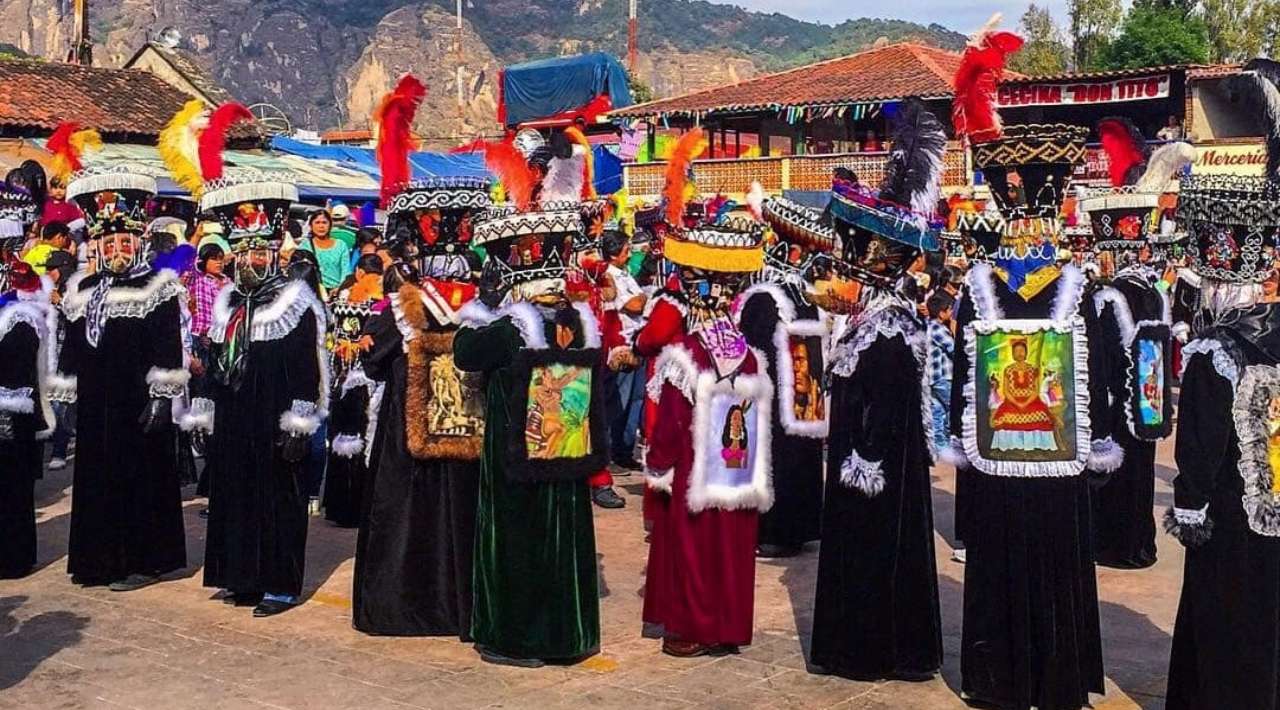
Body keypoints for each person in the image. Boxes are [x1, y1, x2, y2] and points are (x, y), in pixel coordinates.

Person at [945, 27, 1111, 709]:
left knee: (1003, 563)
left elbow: (961, 386)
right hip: (1058, 468)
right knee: (1053, 560)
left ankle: (998, 678)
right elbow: (1094, 396)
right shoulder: (1084, 288)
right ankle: (1058, 675)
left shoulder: (975, 289)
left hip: (995, 464)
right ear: (1059, 206)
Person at [454, 132, 603, 666]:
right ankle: (568, 634)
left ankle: (518, 635)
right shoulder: (577, 321)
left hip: (517, 453)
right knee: (563, 536)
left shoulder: (511, 326)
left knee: (516, 537)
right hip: (565, 447)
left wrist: (484, 304)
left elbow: (465, 352)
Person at [810, 103, 945, 681]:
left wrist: (862, 458)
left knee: (873, 560)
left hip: (874, 483)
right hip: (869, 473)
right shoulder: (876, 321)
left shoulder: (887, 329)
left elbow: (884, 415)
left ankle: (873, 648)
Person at [1162, 58, 1280, 710]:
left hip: (1233, 522)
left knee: (1226, 628)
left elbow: (1199, 455)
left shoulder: (1214, 348)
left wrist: (1191, 504)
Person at [636, 128, 772, 657]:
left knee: (693, 547)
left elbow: (668, 431)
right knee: (731, 549)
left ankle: (691, 628)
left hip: (695, 475)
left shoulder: (686, 356)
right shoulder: (749, 354)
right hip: (736, 472)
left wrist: (659, 465)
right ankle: (729, 625)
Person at [353, 148, 493, 634]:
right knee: (464, 509)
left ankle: (405, 604)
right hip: (472, 422)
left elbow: (374, 358)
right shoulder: (485, 301)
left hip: (408, 426)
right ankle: (467, 604)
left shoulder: (402, 302)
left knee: (407, 511)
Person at [187, 173, 328, 618]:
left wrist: (301, 424)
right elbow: (212, 364)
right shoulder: (228, 302)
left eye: (260, 252)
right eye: (245, 252)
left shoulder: (296, 300)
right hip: (234, 417)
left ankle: (279, 585)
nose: (252, 259)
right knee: (235, 495)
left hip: (275, 417)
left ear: (275, 254)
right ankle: (241, 576)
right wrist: (205, 411)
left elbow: (310, 369)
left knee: (278, 500)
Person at [52, 165, 188, 592]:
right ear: (97, 243)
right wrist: (66, 392)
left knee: (140, 481)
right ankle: (98, 561)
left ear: (138, 240)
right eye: (108, 241)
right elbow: (72, 344)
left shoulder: (157, 286)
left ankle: (145, 562)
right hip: (97, 406)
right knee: (97, 481)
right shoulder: (83, 287)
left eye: (124, 240)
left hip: (138, 402)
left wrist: (162, 397)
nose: (116, 248)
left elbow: (170, 346)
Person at [1079, 120, 1193, 570]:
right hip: (1148, 408)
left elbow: (1098, 363)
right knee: (1140, 478)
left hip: (1115, 409)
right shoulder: (1155, 293)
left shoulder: (1107, 296)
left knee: (1117, 480)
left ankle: (1113, 545)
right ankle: (1139, 545)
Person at [738, 195, 833, 559]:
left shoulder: (773, 294)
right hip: (788, 395)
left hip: (792, 395)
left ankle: (786, 528)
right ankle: (791, 527)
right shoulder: (779, 295)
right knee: (788, 454)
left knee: (789, 455)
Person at [0, 179, 53, 579]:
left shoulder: (22, 308)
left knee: (10, 486)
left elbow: (22, 367)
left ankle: (13, 556)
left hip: (9, 409)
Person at [322, 252, 383, 529]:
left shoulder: (342, 298)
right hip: (364, 379)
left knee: (342, 439)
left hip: (342, 376)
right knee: (362, 437)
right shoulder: (378, 302)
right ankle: (357, 506)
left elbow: (333, 336)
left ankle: (339, 505)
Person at [601, 229, 647, 471]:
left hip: (637, 343)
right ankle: (609, 453)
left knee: (635, 401)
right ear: (613, 254)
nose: (630, 255)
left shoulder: (625, 274)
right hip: (620, 346)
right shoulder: (609, 277)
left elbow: (640, 299)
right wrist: (642, 298)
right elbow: (636, 304)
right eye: (626, 251)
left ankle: (625, 450)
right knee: (617, 402)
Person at [300, 209, 352, 291]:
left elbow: (346, 271)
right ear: (311, 226)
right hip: (313, 292)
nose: (321, 226)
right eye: (317, 223)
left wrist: (339, 289)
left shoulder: (341, 245)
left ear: (330, 225)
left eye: (324, 223)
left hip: (336, 291)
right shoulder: (305, 245)